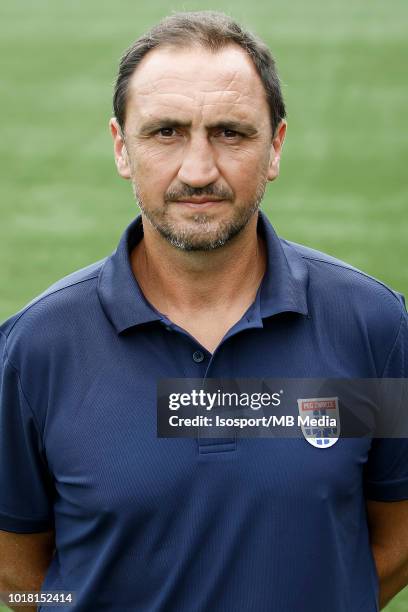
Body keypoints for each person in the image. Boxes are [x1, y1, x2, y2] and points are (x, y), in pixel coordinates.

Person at [0, 10, 407, 612]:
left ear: (275, 147)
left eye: (230, 133)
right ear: (121, 147)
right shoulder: (33, 349)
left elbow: (398, 535)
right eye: (165, 132)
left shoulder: (375, 326)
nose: (198, 171)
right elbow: (15, 566)